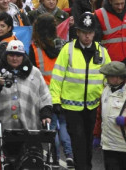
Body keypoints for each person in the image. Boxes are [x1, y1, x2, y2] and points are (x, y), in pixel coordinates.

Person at [0, 40, 53, 169]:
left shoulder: (34, 73)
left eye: (18, 55)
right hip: (1, 129)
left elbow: (44, 95)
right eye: (11, 55)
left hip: (29, 129)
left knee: (30, 164)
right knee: (5, 164)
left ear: (24, 56)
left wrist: (46, 114)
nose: (14, 58)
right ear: (6, 55)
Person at [51, 12, 111, 170]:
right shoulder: (68, 50)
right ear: (77, 32)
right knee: (78, 141)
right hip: (71, 106)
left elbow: (108, 79)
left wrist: (108, 102)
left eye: (90, 32)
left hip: (93, 106)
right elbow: (57, 76)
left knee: (88, 141)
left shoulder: (102, 52)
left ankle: (86, 166)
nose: (87, 36)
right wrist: (55, 100)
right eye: (84, 32)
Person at [30, 13, 74, 166]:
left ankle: (54, 158)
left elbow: (32, 72)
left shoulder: (34, 47)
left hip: (44, 93)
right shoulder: (62, 44)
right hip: (62, 90)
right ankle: (69, 155)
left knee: (51, 127)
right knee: (64, 125)